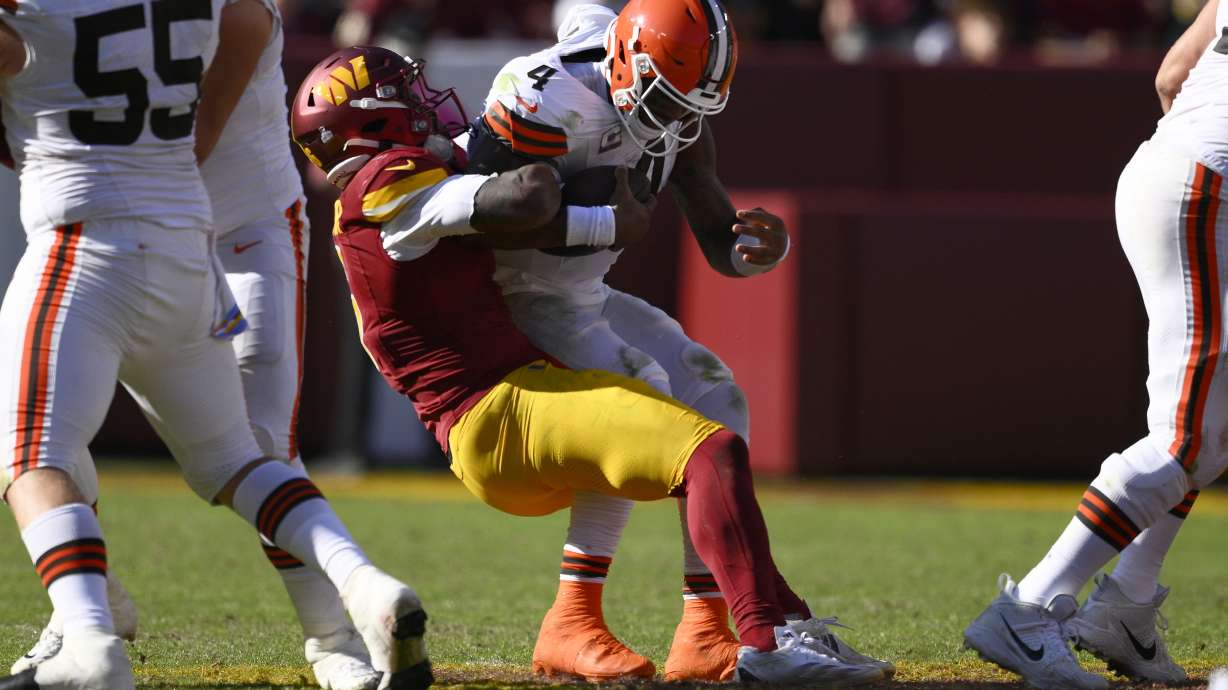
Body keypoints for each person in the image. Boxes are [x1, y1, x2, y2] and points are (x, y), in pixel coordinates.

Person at [291, 44, 888, 687]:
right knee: (707, 453)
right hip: (495, 417)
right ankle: (771, 637)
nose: (427, 102)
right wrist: (605, 218)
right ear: (372, 121)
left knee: (686, 410)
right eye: (405, 95)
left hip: (520, 389)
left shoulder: (401, 173)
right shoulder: (383, 183)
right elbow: (521, 198)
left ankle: (658, 626)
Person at [0, 4, 428, 690]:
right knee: (134, 437)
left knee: (250, 442)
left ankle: (334, 637)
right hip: (168, 222)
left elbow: (186, 133)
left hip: (218, 220)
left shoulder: (226, 15)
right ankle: (87, 607)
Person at [464, 0, 890, 682]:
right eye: (664, 100)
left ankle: (704, 629)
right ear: (627, 61)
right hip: (507, 299)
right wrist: (599, 223)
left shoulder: (682, 104)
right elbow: (471, 220)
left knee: (715, 395)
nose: (673, 119)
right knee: (647, 400)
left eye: (691, 105)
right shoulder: (546, 95)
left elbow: (714, 224)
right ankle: (573, 615)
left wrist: (752, 250)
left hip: (579, 295)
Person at [963, 2, 1228, 688]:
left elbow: (1173, 71)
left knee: (1213, 432)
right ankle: (1027, 608)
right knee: (1186, 442)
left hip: (1187, 177)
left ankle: (1127, 607)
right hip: (1204, 191)